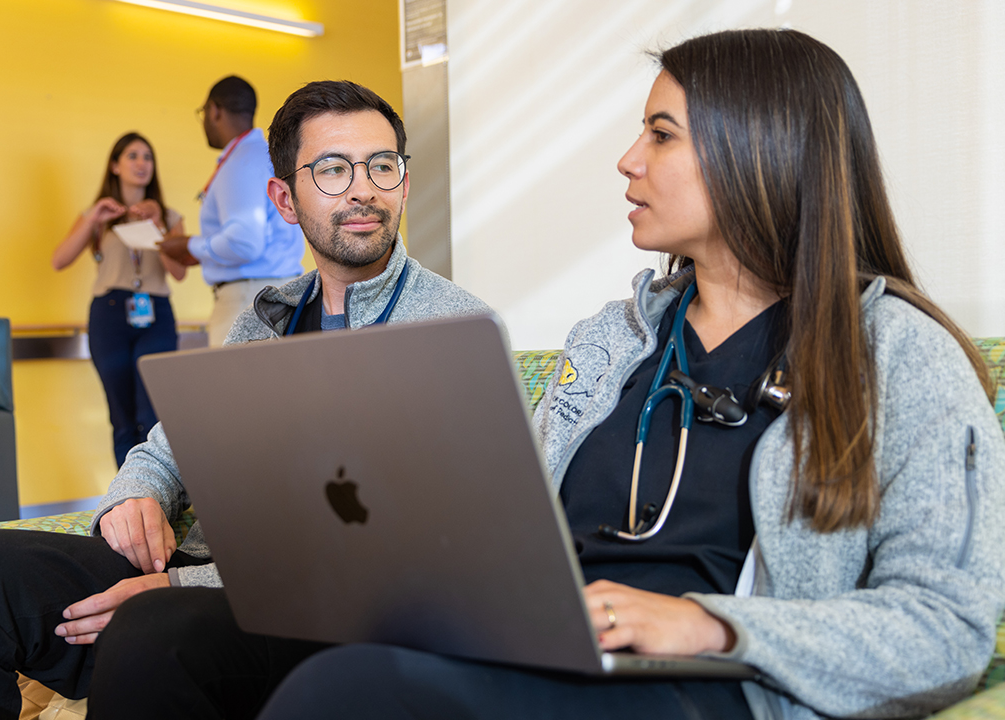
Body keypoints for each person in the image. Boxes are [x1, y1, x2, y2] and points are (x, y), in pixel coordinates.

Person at [252, 29, 1005, 720]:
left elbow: (947, 632)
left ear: (759, 149)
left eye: (661, 134)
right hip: (545, 646)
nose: (628, 159)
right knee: (181, 645)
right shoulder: (616, 338)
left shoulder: (903, 355)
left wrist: (712, 622)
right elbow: (504, 526)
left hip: (709, 687)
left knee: (345, 692)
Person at [0, 80, 496, 719]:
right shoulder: (265, 318)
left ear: (403, 182)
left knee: (152, 630)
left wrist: (179, 585)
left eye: (382, 165)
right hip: (194, 576)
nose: (363, 188)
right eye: (331, 169)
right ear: (284, 200)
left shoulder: (452, 330)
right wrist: (137, 492)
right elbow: (174, 439)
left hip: (322, 619)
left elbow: (414, 554)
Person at [53, 132, 187, 466]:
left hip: (155, 315)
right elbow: (60, 260)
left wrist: (156, 225)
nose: (142, 164)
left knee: (152, 412)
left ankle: (158, 495)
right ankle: (126, 501)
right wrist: (93, 219)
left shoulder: (170, 218)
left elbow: (179, 272)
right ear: (114, 165)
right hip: (109, 315)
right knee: (122, 416)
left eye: (147, 157)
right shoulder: (96, 217)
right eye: (132, 156)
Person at [157, 75, 306, 347]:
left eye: (202, 113)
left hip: (247, 299)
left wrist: (190, 246)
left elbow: (244, 242)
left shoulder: (241, 163)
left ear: (214, 110)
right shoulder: (267, 155)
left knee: (234, 389)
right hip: (280, 293)